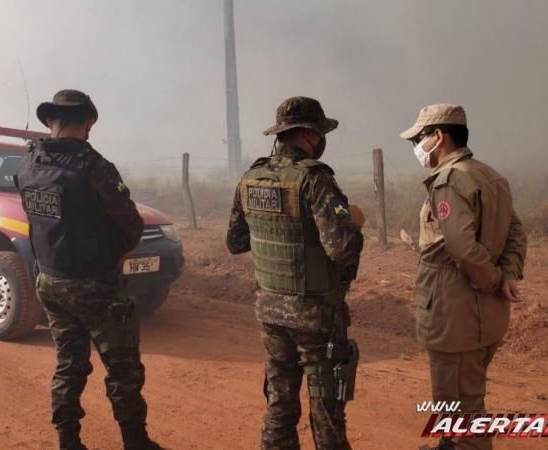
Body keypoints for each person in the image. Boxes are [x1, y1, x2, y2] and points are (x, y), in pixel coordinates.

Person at [15, 89, 162, 450]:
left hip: (49, 278)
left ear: (51, 121)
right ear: (89, 122)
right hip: (94, 284)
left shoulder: (28, 162)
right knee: (123, 369)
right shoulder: (93, 166)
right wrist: (113, 255)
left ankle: (68, 441)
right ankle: (135, 442)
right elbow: (131, 223)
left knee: (69, 363)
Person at [226, 96, 365, 450]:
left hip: (271, 311)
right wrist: (355, 222)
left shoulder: (251, 177)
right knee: (326, 411)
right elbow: (342, 247)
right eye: (318, 132)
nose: (320, 139)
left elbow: (236, 241)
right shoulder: (315, 180)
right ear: (308, 133)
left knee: (280, 403)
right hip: (315, 315)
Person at [399, 104, 527, 450]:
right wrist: (508, 275)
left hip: (454, 317)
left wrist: (495, 278)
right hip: (486, 316)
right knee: (468, 398)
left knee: (457, 408)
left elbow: (461, 247)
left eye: (419, 138)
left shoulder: (450, 181)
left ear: (438, 137)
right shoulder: (490, 176)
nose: (417, 146)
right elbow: (516, 232)